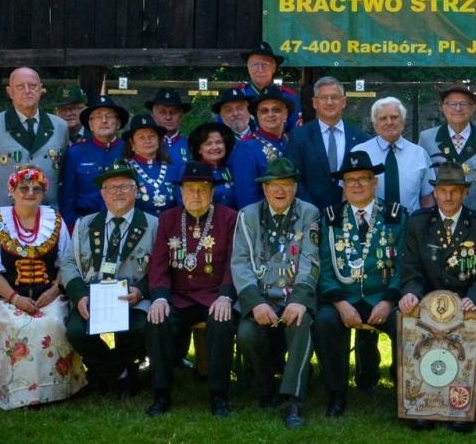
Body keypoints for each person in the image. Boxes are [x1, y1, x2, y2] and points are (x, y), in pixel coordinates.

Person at [397, 158, 476, 432]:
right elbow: (411, 268)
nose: (448, 197)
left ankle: (461, 406)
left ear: (465, 192)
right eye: (443, 191)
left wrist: (474, 297)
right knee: (412, 325)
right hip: (427, 302)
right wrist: (411, 294)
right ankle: (422, 403)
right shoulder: (419, 222)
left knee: (469, 334)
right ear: (435, 192)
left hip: (465, 302)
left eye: (454, 191)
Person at [0, 167, 84, 409]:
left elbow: (67, 263)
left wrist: (54, 291)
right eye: (23, 188)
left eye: (37, 189)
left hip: (49, 295)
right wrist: (15, 298)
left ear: (44, 193)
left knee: (53, 322)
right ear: (11, 191)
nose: (30, 193)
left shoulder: (55, 222)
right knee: (18, 325)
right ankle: (18, 391)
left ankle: (58, 388)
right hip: (8, 298)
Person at [229, 157, 321, 428]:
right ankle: (266, 389)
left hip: (294, 297)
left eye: (286, 184)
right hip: (261, 297)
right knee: (247, 334)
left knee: (301, 324)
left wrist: (299, 300)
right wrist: (255, 303)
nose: (280, 190)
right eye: (274, 185)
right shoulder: (247, 215)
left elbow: (311, 260)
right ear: (265, 189)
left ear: (295, 188)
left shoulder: (309, 213)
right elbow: (240, 262)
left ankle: (294, 401)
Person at [314, 150, 405, 417]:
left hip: (383, 297)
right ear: (343, 185)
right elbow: (324, 267)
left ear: (374, 182)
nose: (356, 185)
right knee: (323, 322)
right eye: (350, 180)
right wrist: (340, 304)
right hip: (344, 297)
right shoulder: (331, 218)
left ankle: (405, 391)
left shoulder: (395, 215)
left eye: (363, 178)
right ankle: (336, 393)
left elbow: (404, 265)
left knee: (406, 324)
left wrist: (388, 302)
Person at [144, 162, 239, 417]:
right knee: (156, 320)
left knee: (222, 322)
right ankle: (161, 393)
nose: (196, 194)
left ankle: (218, 395)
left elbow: (234, 262)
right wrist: (160, 298)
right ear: (181, 191)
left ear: (212, 192)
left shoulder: (229, 218)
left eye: (202, 189)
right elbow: (159, 263)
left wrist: (226, 296)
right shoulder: (168, 219)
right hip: (179, 297)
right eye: (190, 189)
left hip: (214, 296)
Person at [58, 160, 158, 396]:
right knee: (76, 332)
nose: (118, 192)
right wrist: (80, 295)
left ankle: (109, 373)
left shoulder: (153, 224)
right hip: (93, 298)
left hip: (132, 298)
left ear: (135, 191)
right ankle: (119, 373)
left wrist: (141, 291)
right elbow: (69, 263)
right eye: (111, 188)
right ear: (102, 194)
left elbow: (161, 267)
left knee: (141, 328)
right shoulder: (85, 224)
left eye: (124, 186)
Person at [0, 67, 69, 216]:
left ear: (41, 89)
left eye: (32, 86)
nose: (27, 91)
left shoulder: (60, 126)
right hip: (4, 216)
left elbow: (62, 170)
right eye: (20, 86)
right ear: (10, 92)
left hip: (47, 215)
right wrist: (1, 192)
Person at [417, 81, 476, 214]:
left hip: (475, 219)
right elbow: (422, 186)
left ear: (473, 108)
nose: (458, 109)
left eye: (464, 104)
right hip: (437, 219)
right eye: (452, 104)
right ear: (443, 107)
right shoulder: (427, 139)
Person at [289, 75, 367, 212]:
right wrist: (310, 211)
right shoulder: (299, 137)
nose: (329, 102)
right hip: (310, 215)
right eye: (324, 98)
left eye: (334, 97)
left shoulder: (360, 138)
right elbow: (294, 178)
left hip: (351, 214)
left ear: (343, 102)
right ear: (315, 102)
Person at [59, 94, 129, 221]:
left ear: (118, 123)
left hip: (122, 220)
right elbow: (68, 195)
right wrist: (70, 225)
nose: (104, 120)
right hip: (85, 220)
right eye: (98, 117)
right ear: (90, 125)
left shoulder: (129, 149)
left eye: (109, 116)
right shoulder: (76, 152)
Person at [361, 96, 434, 214]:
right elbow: (347, 195)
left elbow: (427, 198)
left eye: (394, 117)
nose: (389, 122)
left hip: (411, 223)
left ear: (403, 121)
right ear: (375, 124)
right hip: (370, 224)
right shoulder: (360, 153)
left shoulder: (420, 154)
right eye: (383, 118)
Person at [230, 87, 295, 208]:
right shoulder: (247, 147)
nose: (270, 114)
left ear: (285, 113)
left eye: (276, 110)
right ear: (257, 115)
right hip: (264, 216)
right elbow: (246, 197)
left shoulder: (292, 142)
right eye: (264, 111)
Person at [122, 114, 182, 216]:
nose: (148, 141)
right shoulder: (124, 169)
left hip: (170, 224)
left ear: (159, 140)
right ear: (132, 143)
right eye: (141, 137)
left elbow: (180, 204)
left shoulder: (173, 169)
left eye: (152, 136)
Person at [235, 41, 300, 131]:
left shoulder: (288, 97)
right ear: (248, 68)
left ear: (274, 68)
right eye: (255, 64)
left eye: (265, 64)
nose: (260, 69)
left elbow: (295, 133)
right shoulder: (236, 96)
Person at [189, 121, 239, 209]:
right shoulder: (191, 171)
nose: (215, 147)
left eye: (219, 142)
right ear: (199, 149)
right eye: (208, 143)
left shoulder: (232, 168)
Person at [145, 87, 193, 167]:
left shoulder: (191, 145)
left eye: (174, 112)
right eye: (162, 112)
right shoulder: (144, 145)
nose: (168, 117)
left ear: (181, 116)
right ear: (153, 116)